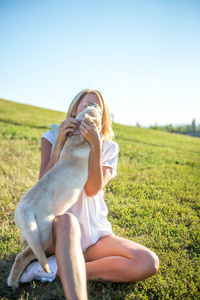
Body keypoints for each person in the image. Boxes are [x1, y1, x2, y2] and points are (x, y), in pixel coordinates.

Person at [20, 89, 159, 300]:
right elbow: (41, 186)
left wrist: (96, 145)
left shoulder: (109, 147)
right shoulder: (51, 137)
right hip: (55, 232)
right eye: (85, 105)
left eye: (95, 107)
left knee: (147, 261)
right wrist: (59, 144)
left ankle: (57, 268)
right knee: (67, 221)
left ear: (101, 119)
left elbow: (92, 189)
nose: (89, 110)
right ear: (75, 111)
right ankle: (67, 270)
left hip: (93, 235)